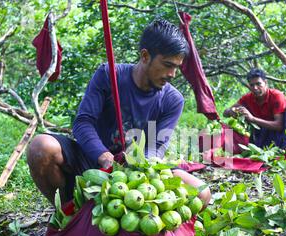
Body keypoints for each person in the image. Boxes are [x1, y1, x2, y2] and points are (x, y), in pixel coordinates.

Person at [27, 19, 211, 208]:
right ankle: (67, 212)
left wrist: (141, 166)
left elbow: (158, 144)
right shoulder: (108, 75)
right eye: (167, 65)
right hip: (92, 162)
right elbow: (83, 123)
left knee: (201, 193)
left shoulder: (173, 100)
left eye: (176, 67)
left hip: (138, 172)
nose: (172, 74)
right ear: (145, 56)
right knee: (40, 147)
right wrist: (102, 155)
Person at [223, 68, 286, 149]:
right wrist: (231, 111)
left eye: (258, 84)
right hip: (261, 132)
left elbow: (279, 125)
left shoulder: (276, 96)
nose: (255, 88)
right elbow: (225, 113)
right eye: (252, 85)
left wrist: (252, 119)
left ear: (265, 83)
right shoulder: (248, 98)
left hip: (281, 133)